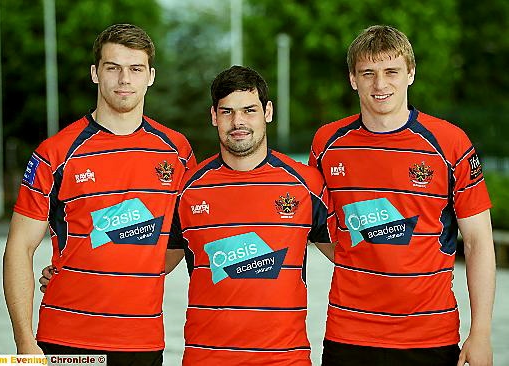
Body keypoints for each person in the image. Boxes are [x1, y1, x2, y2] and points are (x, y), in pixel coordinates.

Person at [3, 23, 196, 366]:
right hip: (65, 338)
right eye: (113, 67)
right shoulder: (56, 153)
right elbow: (20, 247)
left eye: (135, 69)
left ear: (150, 76)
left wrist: (133, 269)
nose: (125, 79)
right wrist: (25, 342)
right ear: (95, 73)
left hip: (142, 340)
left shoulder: (177, 152)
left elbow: (187, 235)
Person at [309, 25, 496, 366]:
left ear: (410, 73)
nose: (380, 85)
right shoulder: (327, 144)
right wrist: (353, 257)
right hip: (349, 332)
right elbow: (316, 222)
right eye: (368, 73)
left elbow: (478, 242)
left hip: (430, 336)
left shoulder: (450, 143)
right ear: (353, 79)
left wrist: (481, 333)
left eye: (391, 71)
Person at [165, 65, 333, 365]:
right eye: (227, 111)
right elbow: (146, 265)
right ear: (214, 116)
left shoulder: (307, 184)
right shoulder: (187, 190)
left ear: (268, 112)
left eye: (249, 110)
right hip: (207, 358)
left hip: (285, 359)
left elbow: (354, 257)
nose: (238, 122)